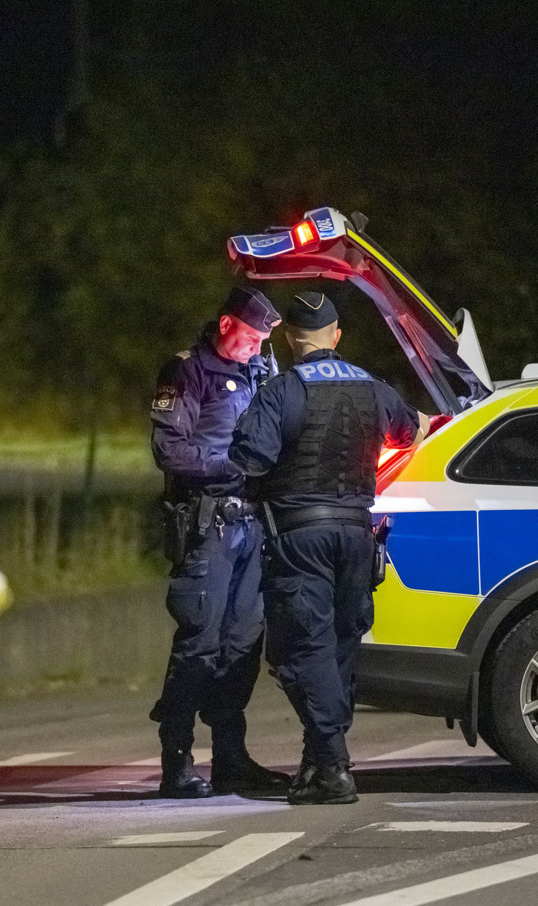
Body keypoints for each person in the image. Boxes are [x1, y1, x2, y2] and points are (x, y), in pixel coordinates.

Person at [229, 289, 428, 805]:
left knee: (299, 650)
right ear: (337, 336)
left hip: (300, 537)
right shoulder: (374, 387)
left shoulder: (282, 390)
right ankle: (318, 764)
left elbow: (249, 458)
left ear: (292, 340)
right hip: (359, 536)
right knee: (338, 648)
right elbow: (413, 431)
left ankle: (334, 767)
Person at [149, 285, 292, 798]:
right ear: (227, 325)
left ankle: (231, 759)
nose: (257, 348)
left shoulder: (260, 370)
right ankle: (177, 758)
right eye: (251, 338)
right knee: (199, 642)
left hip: (253, 527)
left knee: (241, 645)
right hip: (208, 526)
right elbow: (170, 448)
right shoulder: (187, 371)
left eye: (263, 341)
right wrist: (230, 471)